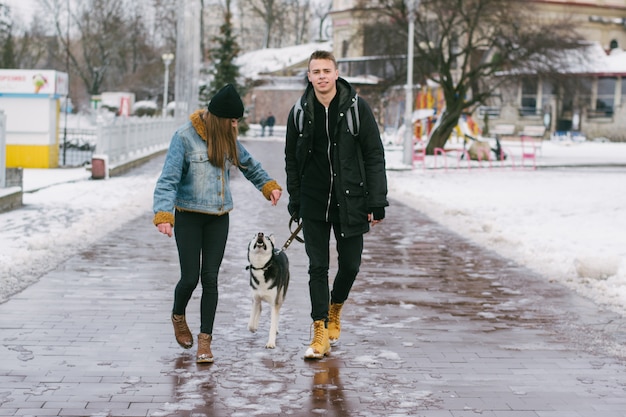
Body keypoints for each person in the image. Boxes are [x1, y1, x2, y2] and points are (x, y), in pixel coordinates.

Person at [153, 84, 282, 364]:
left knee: (210, 279)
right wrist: (164, 214)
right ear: (219, 117)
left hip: (218, 219)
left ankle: (205, 342)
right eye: (232, 120)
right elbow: (168, 180)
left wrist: (268, 186)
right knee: (190, 277)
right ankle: (178, 316)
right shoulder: (184, 138)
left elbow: (250, 165)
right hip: (188, 216)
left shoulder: (228, 138)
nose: (235, 125)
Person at [284, 50, 388, 360]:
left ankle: (335, 307)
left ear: (336, 72)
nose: (321, 76)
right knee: (318, 267)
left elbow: (374, 154)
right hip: (315, 202)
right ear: (309, 76)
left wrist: (377, 200)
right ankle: (319, 331)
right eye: (316, 71)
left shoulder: (357, 108)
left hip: (351, 200)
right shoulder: (300, 111)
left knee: (351, 266)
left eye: (326, 70)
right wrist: (296, 200)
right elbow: (291, 160)